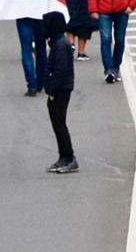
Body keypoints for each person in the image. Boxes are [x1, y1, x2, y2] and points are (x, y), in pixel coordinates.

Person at [42, 12, 78, 173]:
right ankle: (63, 156)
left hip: (61, 89)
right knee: (57, 123)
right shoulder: (58, 42)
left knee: (59, 123)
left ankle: (69, 157)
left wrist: (52, 90)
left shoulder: (61, 45)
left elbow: (61, 70)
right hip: (61, 87)